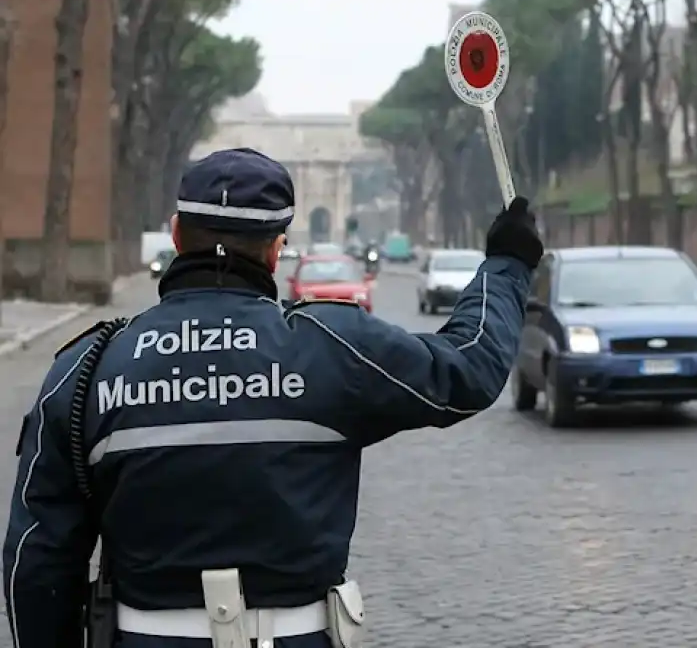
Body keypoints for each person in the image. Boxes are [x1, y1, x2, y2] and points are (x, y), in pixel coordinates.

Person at [2, 147, 543, 648]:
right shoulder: (331, 345)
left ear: (175, 235)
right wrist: (507, 264)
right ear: (277, 249)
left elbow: (37, 559)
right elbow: (468, 366)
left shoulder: (88, 366)